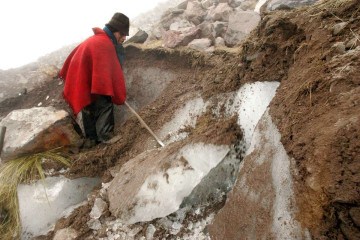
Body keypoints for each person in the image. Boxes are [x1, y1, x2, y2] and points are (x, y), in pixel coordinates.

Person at [59, 12, 129, 147]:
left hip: (81, 84)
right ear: (116, 32)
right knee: (104, 102)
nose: (124, 38)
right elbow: (109, 79)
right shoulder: (104, 44)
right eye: (123, 34)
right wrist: (119, 94)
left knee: (88, 105)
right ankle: (105, 136)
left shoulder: (95, 39)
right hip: (88, 83)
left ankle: (91, 140)